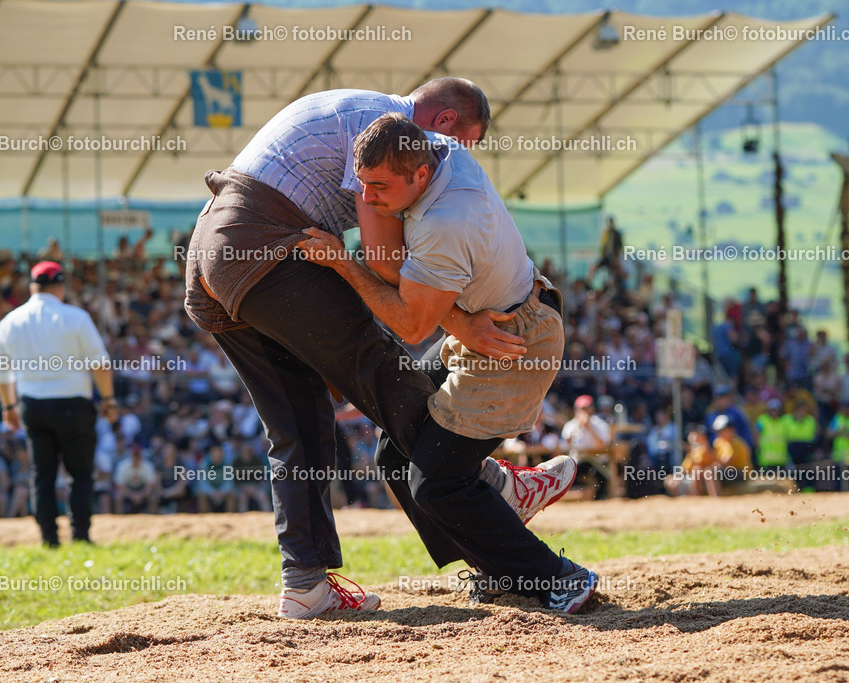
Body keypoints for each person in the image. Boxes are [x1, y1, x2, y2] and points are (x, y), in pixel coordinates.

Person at [184, 80, 573, 618]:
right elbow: (385, 262)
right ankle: (491, 488)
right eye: (463, 141)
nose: (458, 156)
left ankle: (304, 584)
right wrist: (461, 324)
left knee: (297, 424)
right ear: (439, 125)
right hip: (269, 244)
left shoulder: (360, 110)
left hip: (213, 249)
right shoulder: (385, 135)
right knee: (378, 365)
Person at [299, 113, 594, 615]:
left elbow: (413, 326)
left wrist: (345, 264)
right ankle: (503, 523)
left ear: (420, 175)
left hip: (514, 343)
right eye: (361, 183)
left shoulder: (444, 223)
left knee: (437, 484)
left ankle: (560, 578)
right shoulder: (437, 149)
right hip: (492, 321)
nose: (366, 199)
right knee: (394, 453)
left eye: (378, 186)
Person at [0, 260, 118, 546]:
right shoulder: (76, 317)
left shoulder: (11, 320)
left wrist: (8, 407)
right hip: (74, 404)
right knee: (80, 474)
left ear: (33, 287)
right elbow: (99, 363)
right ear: (60, 286)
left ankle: (49, 539)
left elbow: (0, 371)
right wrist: (108, 399)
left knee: (42, 475)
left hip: (32, 405)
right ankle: (81, 536)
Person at [754, 399, 791, 472]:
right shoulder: (762, 420)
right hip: (766, 461)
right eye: (772, 410)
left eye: (776, 410)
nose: (774, 412)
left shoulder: (784, 422)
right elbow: (756, 434)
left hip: (781, 461)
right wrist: (758, 447)